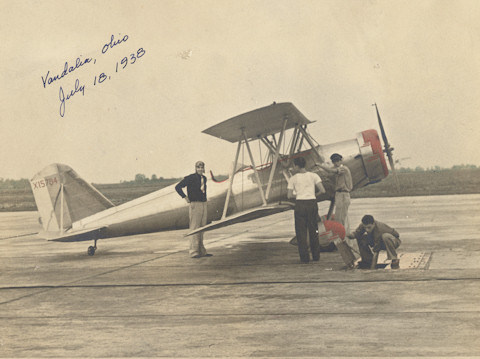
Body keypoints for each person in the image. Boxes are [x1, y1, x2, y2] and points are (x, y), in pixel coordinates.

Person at [287, 157, 326, 263]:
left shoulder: (293, 178)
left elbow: (289, 195)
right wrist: (313, 194)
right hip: (312, 203)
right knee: (314, 230)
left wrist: (300, 194)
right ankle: (316, 256)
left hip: (300, 204)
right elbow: (322, 190)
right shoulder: (314, 175)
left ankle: (304, 258)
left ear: (296, 166)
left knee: (301, 232)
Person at [175, 161, 211, 258]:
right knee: (195, 228)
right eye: (198, 167)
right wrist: (185, 197)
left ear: (203, 168)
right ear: (195, 168)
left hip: (203, 204)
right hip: (195, 204)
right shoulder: (190, 178)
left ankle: (202, 250)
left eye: (201, 167)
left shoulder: (204, 178)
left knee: (202, 227)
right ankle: (194, 251)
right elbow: (177, 187)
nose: (200, 169)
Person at [318, 153, 353, 232]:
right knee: (338, 216)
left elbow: (330, 170)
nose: (336, 163)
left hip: (344, 194)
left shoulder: (344, 168)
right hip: (339, 194)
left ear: (341, 160)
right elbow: (330, 173)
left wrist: (319, 165)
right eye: (334, 161)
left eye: (337, 161)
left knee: (342, 216)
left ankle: (342, 233)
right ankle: (341, 232)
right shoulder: (337, 170)